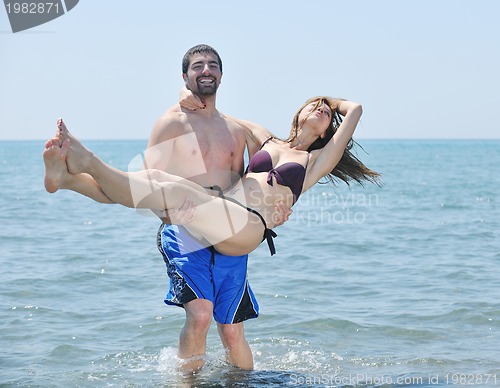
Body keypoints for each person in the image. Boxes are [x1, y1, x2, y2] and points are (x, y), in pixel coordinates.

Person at [43, 44, 294, 373]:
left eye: (212, 65)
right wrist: (172, 215)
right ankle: (185, 382)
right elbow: (146, 187)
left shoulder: (237, 129)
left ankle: (68, 179)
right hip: (185, 228)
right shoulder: (173, 122)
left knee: (232, 331)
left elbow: (269, 169)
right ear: (185, 76)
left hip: (230, 231)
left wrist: (278, 206)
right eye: (198, 66)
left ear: (221, 75)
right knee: (201, 314)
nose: (206, 70)